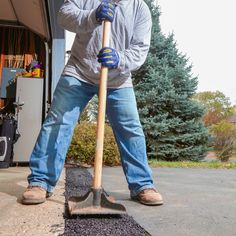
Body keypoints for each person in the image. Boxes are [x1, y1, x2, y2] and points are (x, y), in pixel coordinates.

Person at [22, 0, 163, 206]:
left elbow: (140, 49)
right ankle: (40, 181)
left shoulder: (139, 8)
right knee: (58, 121)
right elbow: (63, 15)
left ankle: (142, 184)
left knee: (130, 128)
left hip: (118, 77)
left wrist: (119, 59)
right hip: (79, 70)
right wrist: (93, 16)